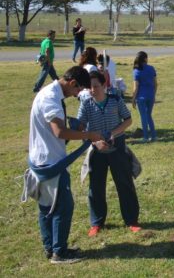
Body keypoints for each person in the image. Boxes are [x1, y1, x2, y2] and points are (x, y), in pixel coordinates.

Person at [26, 66, 106, 264]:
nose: (77, 94)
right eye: (78, 90)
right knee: (63, 206)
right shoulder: (50, 99)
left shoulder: (50, 94)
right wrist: (88, 135)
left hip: (42, 159)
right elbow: (59, 132)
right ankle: (59, 252)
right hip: (51, 162)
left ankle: (50, 247)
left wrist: (73, 122)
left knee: (47, 206)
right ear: (72, 83)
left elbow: (54, 122)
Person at [77, 71, 140, 237]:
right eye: (89, 87)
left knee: (124, 184)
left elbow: (128, 119)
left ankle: (132, 220)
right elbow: (81, 127)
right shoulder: (86, 104)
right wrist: (93, 141)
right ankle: (97, 223)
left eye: (96, 86)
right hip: (96, 149)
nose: (92, 90)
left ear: (104, 85)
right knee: (96, 187)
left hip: (117, 147)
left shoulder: (115, 100)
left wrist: (113, 133)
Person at [132, 51, 157, 142]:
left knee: (143, 116)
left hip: (141, 97)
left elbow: (136, 87)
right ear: (145, 59)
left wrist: (133, 98)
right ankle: (154, 135)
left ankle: (146, 137)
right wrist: (153, 95)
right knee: (149, 115)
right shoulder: (151, 68)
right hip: (150, 95)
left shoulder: (136, 71)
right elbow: (155, 84)